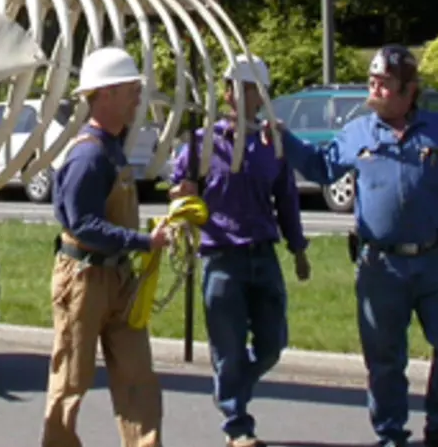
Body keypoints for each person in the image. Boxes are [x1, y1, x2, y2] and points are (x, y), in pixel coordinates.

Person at [281, 45, 438, 447]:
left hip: (431, 261)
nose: (374, 89)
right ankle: (391, 435)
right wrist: (283, 138)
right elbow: (322, 167)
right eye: (372, 81)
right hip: (379, 266)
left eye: (384, 83)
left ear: (410, 91)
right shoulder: (357, 132)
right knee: (385, 359)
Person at [168, 55, 309, 447]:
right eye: (236, 88)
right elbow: (177, 188)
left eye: (252, 90)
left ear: (262, 98)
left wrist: (298, 250)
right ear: (227, 93)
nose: (242, 96)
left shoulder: (272, 145)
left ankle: (229, 390)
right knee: (227, 349)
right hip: (221, 257)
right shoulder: (201, 144)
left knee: (272, 343)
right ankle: (238, 426)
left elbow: (287, 200)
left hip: (263, 255)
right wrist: (182, 194)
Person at [43, 46, 172, 447]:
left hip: (118, 277)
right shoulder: (87, 156)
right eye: (131, 89)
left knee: (138, 379)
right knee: (71, 380)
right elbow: (80, 223)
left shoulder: (113, 148)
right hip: (83, 280)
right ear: (106, 94)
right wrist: (142, 241)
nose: (137, 98)